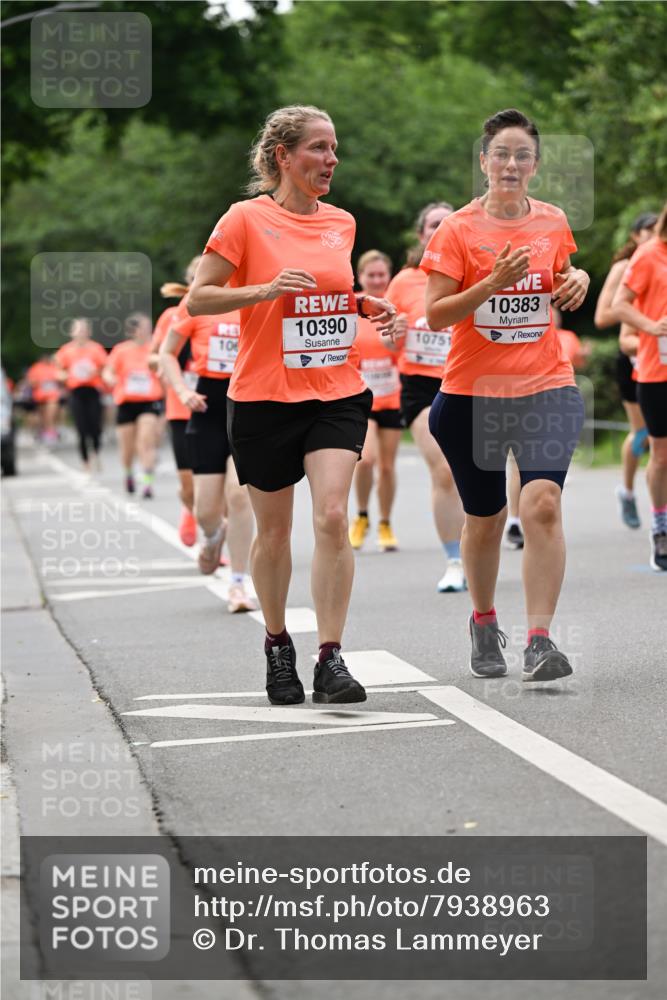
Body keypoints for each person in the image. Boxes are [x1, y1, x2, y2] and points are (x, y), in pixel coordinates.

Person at [187, 104, 397, 705]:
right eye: (319, 148)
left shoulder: (342, 223)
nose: (331, 160)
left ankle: (331, 656)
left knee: (332, 516)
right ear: (283, 155)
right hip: (262, 397)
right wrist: (264, 290)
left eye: (334, 149)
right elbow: (201, 298)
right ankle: (279, 647)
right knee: (273, 533)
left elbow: (328, 295)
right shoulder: (244, 220)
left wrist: (363, 306)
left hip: (334, 390)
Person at [423, 108, 589, 683]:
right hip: (472, 395)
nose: (512, 164)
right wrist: (490, 283)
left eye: (523, 155)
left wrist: (579, 280)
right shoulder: (458, 231)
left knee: (541, 504)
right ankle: (483, 619)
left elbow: (563, 275)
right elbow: (436, 314)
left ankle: (540, 641)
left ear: (536, 165)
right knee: (486, 518)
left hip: (546, 386)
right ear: (484, 161)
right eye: (502, 154)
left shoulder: (552, 221)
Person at [160, 274, 258, 613]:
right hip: (206, 408)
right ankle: (214, 536)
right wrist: (183, 391)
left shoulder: (255, 296)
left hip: (248, 407)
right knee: (205, 510)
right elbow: (167, 353)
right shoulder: (196, 303)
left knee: (238, 493)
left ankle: (238, 584)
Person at [386, 201, 466, 592]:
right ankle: (454, 559)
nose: (440, 229)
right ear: (421, 235)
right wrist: (395, 333)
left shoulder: (473, 273)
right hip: (421, 385)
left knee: (478, 472)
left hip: (468, 379)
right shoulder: (403, 282)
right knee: (445, 470)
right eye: (433, 224)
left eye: (447, 223)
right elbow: (384, 345)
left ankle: (476, 549)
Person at [612, 202, 667, 572]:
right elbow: (619, 305)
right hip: (657, 371)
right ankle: (660, 527)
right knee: (660, 453)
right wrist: (649, 326)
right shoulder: (649, 255)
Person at [595, 211, 658, 529]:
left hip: (659, 355)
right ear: (635, 236)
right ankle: (628, 490)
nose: (651, 235)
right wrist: (642, 321)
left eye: (654, 229)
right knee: (643, 434)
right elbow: (603, 316)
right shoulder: (624, 268)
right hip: (633, 355)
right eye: (645, 231)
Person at [348, 250, 403, 552]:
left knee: (387, 466)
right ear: (360, 277)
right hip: (360, 397)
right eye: (372, 275)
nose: (378, 280)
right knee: (365, 459)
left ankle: (385, 522)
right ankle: (362, 516)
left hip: (391, 396)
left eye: (382, 275)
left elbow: (404, 348)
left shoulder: (396, 307)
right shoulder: (353, 306)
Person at [149, 259, 201, 547]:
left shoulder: (228, 313)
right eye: (194, 277)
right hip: (181, 407)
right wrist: (164, 364)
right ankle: (189, 510)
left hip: (217, 407)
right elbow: (154, 355)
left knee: (221, 484)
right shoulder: (172, 315)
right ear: (188, 281)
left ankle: (213, 538)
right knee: (189, 483)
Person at [103, 313, 164, 498]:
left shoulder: (155, 349)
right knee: (127, 449)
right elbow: (108, 370)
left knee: (146, 441)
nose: (148, 330)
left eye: (149, 327)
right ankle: (129, 473)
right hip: (127, 403)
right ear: (133, 330)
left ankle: (147, 484)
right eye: (144, 327)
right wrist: (110, 378)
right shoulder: (121, 350)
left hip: (149, 402)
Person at [54, 318, 108, 471]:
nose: (81, 333)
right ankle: (86, 462)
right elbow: (58, 372)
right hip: (76, 392)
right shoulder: (65, 351)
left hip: (93, 391)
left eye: (84, 330)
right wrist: (65, 375)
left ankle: (96, 452)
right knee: (81, 428)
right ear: (72, 333)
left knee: (95, 427)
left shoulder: (96, 349)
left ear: (89, 332)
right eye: (78, 330)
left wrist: (96, 371)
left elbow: (106, 368)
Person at [26, 354, 61, 444]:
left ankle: (51, 431)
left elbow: (61, 379)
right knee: (42, 416)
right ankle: (43, 431)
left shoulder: (54, 367)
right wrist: (37, 382)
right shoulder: (35, 368)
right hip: (39, 396)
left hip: (52, 395)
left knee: (51, 414)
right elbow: (30, 382)